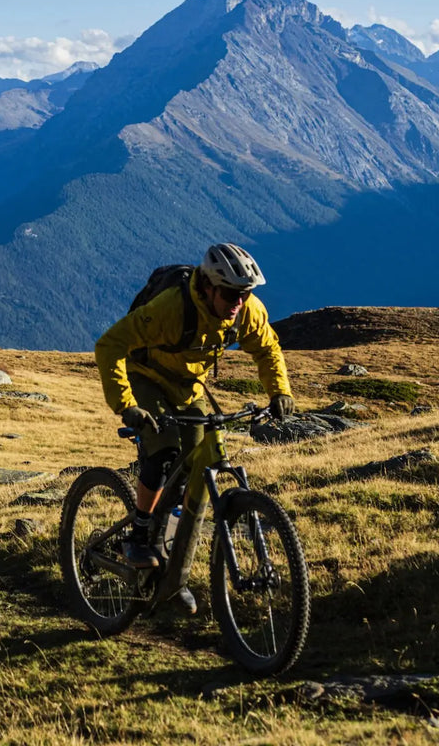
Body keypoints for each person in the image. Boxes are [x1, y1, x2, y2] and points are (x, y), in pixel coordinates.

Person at [94, 243, 294, 612]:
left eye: (245, 294)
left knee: (197, 472)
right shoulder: (171, 309)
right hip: (147, 378)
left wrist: (280, 391)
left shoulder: (245, 311)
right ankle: (139, 534)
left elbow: (267, 349)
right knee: (166, 450)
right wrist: (127, 406)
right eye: (231, 294)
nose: (238, 302)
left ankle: (171, 578)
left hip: (189, 387)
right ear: (208, 287)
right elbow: (110, 344)